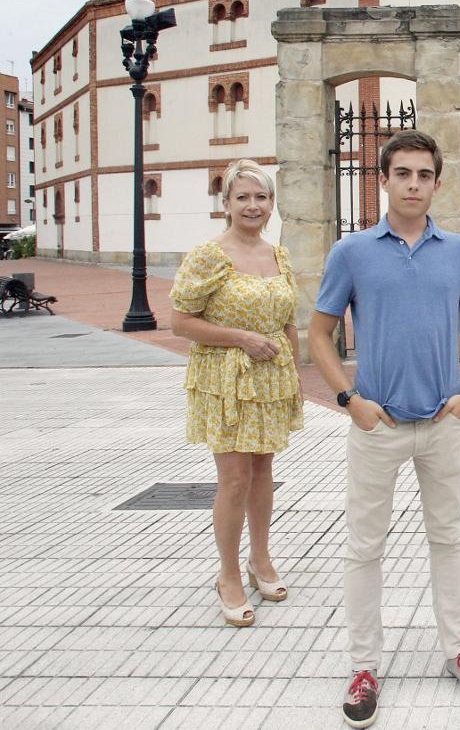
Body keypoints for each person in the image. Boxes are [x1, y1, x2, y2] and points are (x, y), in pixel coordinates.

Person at [308, 130, 460, 726]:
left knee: (447, 541)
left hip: (443, 422)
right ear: (383, 179)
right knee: (366, 546)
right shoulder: (353, 252)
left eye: (424, 175)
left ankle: (459, 651)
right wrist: (349, 399)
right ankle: (364, 665)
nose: (413, 184)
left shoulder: (459, 252)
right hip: (377, 424)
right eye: (403, 174)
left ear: (438, 183)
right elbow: (319, 332)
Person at [169, 159, 304, 628]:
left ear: (271, 205)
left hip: (270, 378)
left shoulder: (277, 254)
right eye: (243, 197)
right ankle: (228, 573)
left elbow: (288, 319)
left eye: (261, 197)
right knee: (233, 478)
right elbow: (181, 321)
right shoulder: (210, 255)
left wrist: (297, 373)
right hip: (226, 378)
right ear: (226, 203)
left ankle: (260, 558)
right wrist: (242, 337)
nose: (253, 206)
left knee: (263, 469)